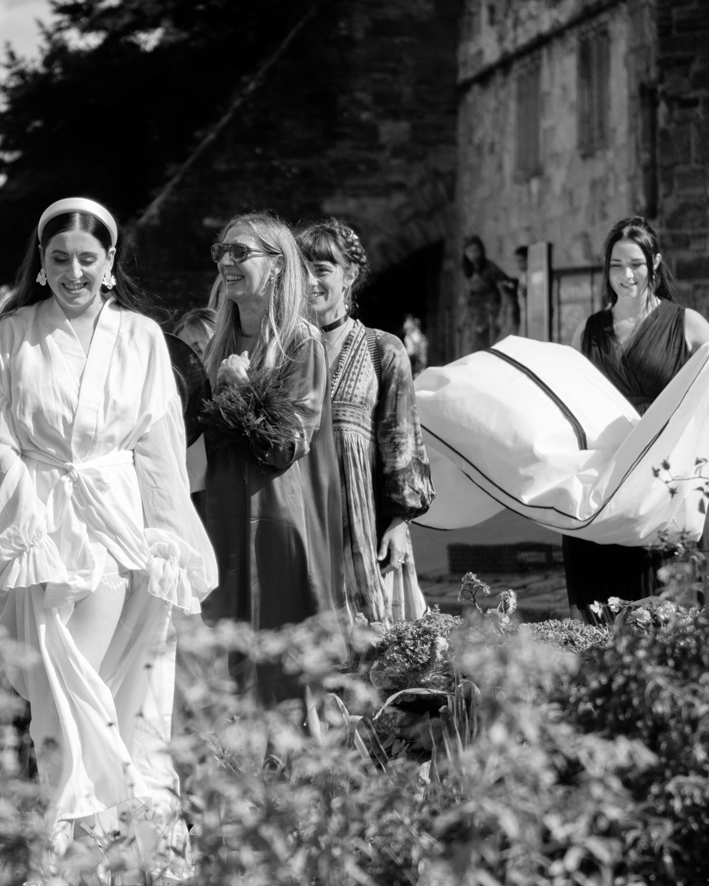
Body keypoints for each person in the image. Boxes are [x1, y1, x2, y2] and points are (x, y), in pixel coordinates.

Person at [0, 196, 216, 875]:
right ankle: (86, 854)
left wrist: (169, 536)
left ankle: (113, 852)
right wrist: (25, 521)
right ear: (41, 263)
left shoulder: (141, 337)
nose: (74, 272)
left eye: (87, 259)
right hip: (43, 525)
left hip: (119, 523)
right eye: (60, 258)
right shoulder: (13, 335)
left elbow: (160, 445)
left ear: (110, 262)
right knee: (58, 694)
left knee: (118, 693)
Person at [564, 215, 709, 618]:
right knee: (599, 615)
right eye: (616, 265)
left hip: (663, 480)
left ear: (654, 263)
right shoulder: (587, 332)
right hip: (605, 481)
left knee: (666, 607)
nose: (626, 275)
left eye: (635, 264)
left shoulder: (687, 324)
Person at [196, 212, 340, 706]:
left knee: (276, 660)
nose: (226, 262)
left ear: (277, 265)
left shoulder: (301, 341)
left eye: (241, 252)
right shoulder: (218, 343)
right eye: (221, 251)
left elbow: (286, 444)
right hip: (218, 511)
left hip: (273, 515)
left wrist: (242, 390)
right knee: (222, 649)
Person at [296, 218, 434, 625]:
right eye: (301, 271)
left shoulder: (383, 350)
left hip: (363, 527)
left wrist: (399, 522)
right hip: (298, 525)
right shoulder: (283, 350)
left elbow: (402, 441)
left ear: (349, 276)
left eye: (322, 270)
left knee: (370, 641)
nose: (310, 282)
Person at [461, 235, 522, 351]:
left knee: (488, 349)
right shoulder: (470, 271)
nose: (473, 254)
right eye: (469, 251)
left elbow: (504, 291)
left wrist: (502, 315)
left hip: (490, 315)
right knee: (474, 351)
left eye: (475, 250)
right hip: (475, 318)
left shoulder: (490, 268)